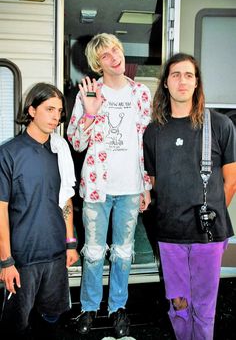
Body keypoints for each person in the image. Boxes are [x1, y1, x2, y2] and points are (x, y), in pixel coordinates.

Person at [143, 53, 236, 340]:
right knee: (179, 304)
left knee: (205, 307)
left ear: (196, 84)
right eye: (175, 75)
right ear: (166, 84)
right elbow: (156, 181)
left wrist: (210, 215)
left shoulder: (220, 126)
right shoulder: (153, 131)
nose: (182, 81)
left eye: (188, 75)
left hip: (207, 235)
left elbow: (231, 181)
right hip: (169, 234)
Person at [67, 33, 152, 338]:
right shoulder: (90, 92)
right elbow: (76, 142)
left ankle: (118, 307)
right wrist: (89, 115)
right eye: (105, 55)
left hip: (130, 187)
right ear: (96, 63)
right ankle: (89, 307)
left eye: (115, 49)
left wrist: (146, 186)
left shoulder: (141, 93)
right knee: (92, 252)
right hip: (96, 187)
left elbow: (147, 144)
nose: (114, 56)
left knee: (124, 252)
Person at [0, 82, 79, 339]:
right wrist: (6, 261)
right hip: (22, 258)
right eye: (49, 109)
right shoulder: (9, 153)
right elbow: (0, 210)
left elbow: (65, 200)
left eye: (59, 111)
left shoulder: (60, 151)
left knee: (52, 318)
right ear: (32, 110)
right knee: (16, 326)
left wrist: (70, 242)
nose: (56, 117)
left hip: (55, 254)